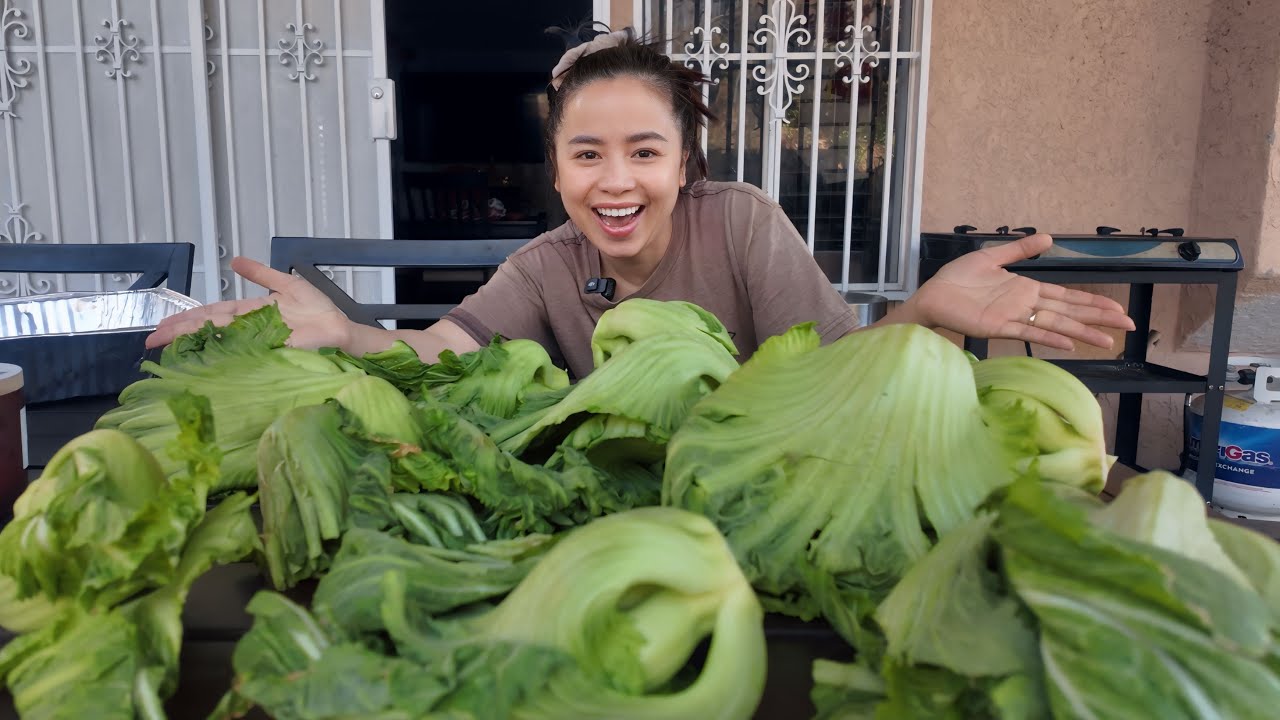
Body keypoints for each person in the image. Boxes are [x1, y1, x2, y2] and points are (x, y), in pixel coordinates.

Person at [147, 31, 1135, 379]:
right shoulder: (541, 267)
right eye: (586, 153)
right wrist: (346, 331)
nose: (613, 181)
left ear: (683, 161)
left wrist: (918, 314)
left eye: (642, 151)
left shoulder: (738, 220)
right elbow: (439, 354)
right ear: (555, 165)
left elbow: (835, 370)